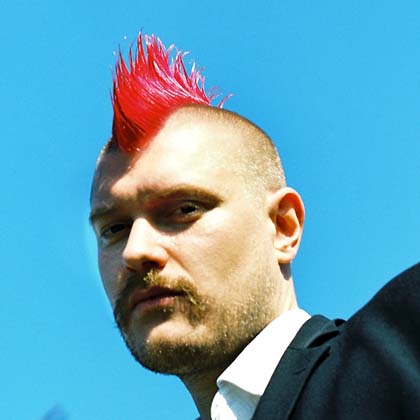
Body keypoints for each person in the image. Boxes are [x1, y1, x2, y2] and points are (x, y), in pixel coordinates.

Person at [90, 34, 420, 420]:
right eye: (114, 229)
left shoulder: (405, 343)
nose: (135, 250)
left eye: (185, 209)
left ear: (283, 227)